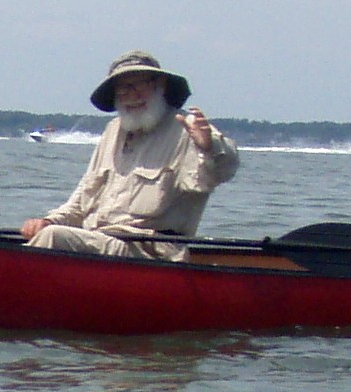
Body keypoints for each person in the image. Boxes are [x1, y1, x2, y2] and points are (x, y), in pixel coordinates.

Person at [21, 50, 239, 260]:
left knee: (52, 238)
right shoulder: (112, 131)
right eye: (123, 89)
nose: (131, 96)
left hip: (148, 253)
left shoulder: (186, 129)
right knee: (38, 233)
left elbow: (222, 170)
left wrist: (208, 147)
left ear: (160, 86)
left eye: (139, 85)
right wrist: (48, 220)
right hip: (98, 243)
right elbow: (80, 202)